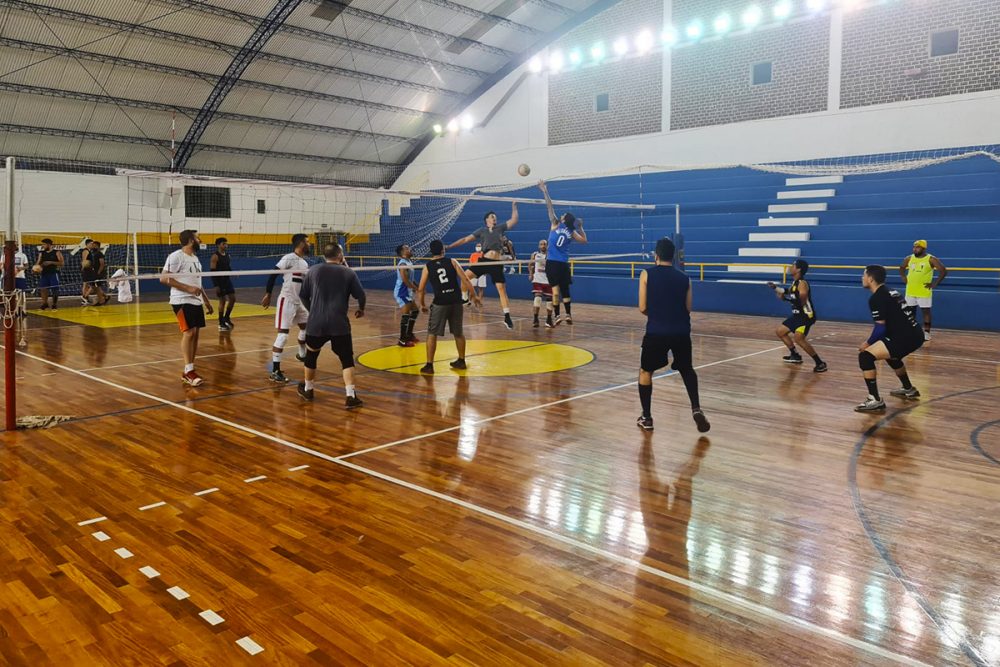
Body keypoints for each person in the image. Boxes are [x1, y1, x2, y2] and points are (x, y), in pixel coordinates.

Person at [636, 237, 710, 433]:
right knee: (687, 369)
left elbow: (642, 307)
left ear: (656, 255)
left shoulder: (646, 274)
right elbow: (688, 308)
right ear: (674, 256)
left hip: (656, 331)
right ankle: (696, 408)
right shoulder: (685, 278)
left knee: (645, 372)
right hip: (681, 332)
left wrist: (658, 313)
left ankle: (647, 417)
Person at [296, 243, 365, 408]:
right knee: (346, 359)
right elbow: (361, 295)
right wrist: (361, 309)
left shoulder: (313, 270)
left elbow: (303, 295)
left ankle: (308, 389)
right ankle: (350, 396)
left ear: (324, 256)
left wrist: (312, 310)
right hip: (338, 323)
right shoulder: (348, 272)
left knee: (311, 356)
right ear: (340, 255)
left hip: (316, 323)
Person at [855, 265, 924, 412]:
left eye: (864, 275)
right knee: (891, 355)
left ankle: (874, 400)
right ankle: (908, 389)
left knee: (865, 357)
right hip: (915, 333)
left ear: (871, 279)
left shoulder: (876, 298)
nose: (862, 278)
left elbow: (880, 327)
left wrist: (867, 343)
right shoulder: (891, 291)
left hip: (905, 337)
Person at [446, 202, 518, 329]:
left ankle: (507, 317)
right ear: (487, 220)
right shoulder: (481, 231)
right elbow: (465, 239)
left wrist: (514, 206)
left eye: (495, 216)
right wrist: (450, 246)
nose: (494, 218)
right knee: (464, 276)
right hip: (484, 260)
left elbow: (514, 220)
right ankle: (464, 298)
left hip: (496, 263)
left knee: (501, 290)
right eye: (492, 216)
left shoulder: (500, 228)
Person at [417, 239, 480, 374]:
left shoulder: (428, 266)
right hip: (456, 302)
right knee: (458, 332)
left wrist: (422, 304)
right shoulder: (452, 261)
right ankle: (461, 360)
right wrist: (473, 295)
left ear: (431, 252)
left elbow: (421, 289)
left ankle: (429, 365)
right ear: (443, 250)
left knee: (432, 334)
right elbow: (466, 279)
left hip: (440, 303)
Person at [160, 230, 214, 386]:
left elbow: (197, 282)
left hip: (196, 301)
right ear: (191, 240)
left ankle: (189, 370)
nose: (200, 239)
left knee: (195, 333)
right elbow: (164, 278)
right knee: (189, 332)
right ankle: (189, 370)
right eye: (197, 237)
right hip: (181, 300)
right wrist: (187, 289)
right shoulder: (176, 256)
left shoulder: (195, 258)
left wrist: (206, 300)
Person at [261, 234, 311, 383]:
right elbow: (273, 274)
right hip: (287, 300)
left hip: (299, 302)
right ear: (301, 243)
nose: (309, 244)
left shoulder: (304, 263)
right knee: (283, 336)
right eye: (307, 242)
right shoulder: (289, 258)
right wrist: (268, 294)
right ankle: (275, 371)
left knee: (306, 328)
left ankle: (302, 354)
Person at [539, 180, 587, 325]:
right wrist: (580, 227)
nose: (561, 216)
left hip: (552, 263)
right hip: (563, 265)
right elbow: (584, 240)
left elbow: (549, 206)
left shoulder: (555, 223)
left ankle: (557, 316)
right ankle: (568, 315)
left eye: (563, 215)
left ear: (564, 219)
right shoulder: (572, 232)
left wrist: (545, 191)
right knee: (565, 291)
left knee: (555, 291)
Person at [766, 259, 826, 372]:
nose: (790, 267)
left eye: (793, 265)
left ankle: (820, 363)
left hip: (805, 317)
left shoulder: (802, 283)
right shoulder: (795, 283)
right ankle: (795, 355)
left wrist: (787, 299)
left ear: (798, 269)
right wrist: (775, 288)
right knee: (780, 332)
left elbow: (802, 298)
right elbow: (787, 291)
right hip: (797, 316)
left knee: (799, 338)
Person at [899, 240, 947, 341]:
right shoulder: (909, 258)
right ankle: (912, 331)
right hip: (910, 290)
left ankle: (927, 333)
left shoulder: (931, 259)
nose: (915, 249)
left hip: (923, 291)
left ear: (924, 248)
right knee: (910, 312)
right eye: (914, 247)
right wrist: (903, 276)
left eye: (918, 247)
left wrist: (935, 283)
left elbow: (943, 270)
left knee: (926, 311)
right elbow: (902, 267)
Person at [394, 244, 420, 347]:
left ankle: (409, 334)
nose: (410, 249)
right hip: (402, 292)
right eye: (407, 248)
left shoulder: (409, 262)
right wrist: (415, 288)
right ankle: (402, 339)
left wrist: (418, 286)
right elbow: (405, 280)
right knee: (406, 315)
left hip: (407, 291)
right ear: (402, 252)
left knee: (415, 311)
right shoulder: (402, 263)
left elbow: (410, 278)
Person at [210, 237, 236, 331]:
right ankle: (221, 323)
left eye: (226, 244)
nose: (226, 245)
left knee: (233, 299)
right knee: (223, 301)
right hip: (219, 281)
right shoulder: (215, 256)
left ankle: (227, 318)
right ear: (218, 245)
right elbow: (212, 272)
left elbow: (228, 267)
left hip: (227, 281)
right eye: (223, 244)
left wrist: (233, 274)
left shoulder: (228, 255)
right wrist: (216, 285)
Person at [528, 239, 554, 328]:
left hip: (548, 280)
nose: (543, 246)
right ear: (539, 246)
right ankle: (535, 319)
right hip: (538, 279)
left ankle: (549, 320)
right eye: (541, 244)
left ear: (547, 246)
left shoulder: (551, 255)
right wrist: (531, 274)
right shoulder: (535, 254)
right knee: (538, 297)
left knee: (550, 300)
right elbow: (530, 265)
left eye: (544, 244)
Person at [34, 238, 63, 310]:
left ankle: (54, 304)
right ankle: (45, 303)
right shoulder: (41, 253)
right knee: (43, 289)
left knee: (55, 289)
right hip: (44, 273)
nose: (42, 246)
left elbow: (62, 263)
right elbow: (38, 262)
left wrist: (51, 262)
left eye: (44, 244)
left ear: (49, 244)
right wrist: (35, 268)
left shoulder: (57, 252)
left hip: (53, 273)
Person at [81, 239, 109, 306]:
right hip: (89, 271)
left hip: (95, 272)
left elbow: (102, 264)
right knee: (91, 285)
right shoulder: (86, 251)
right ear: (88, 244)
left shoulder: (97, 253)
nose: (92, 245)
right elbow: (84, 261)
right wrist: (84, 267)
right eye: (91, 244)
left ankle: (86, 298)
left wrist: (98, 272)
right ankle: (85, 297)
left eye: (93, 244)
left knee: (94, 286)